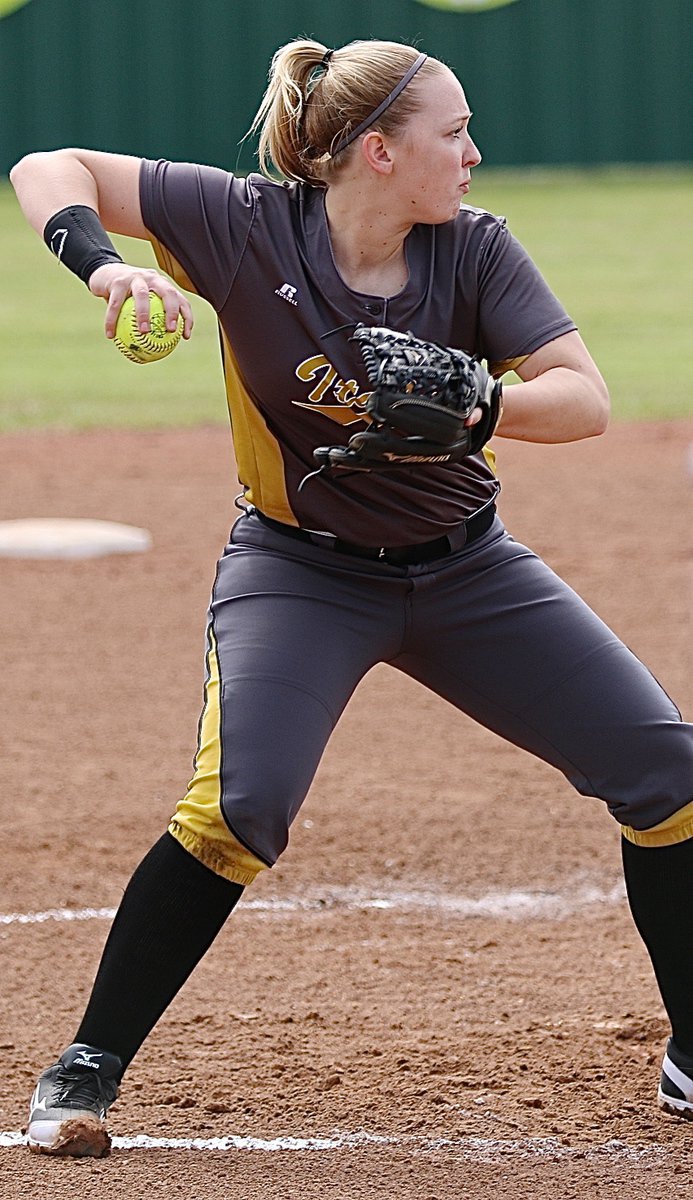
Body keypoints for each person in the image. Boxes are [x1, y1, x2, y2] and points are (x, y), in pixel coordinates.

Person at [10, 37, 693, 1159]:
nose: (473, 154)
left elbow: (583, 400)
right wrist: (105, 268)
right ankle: (87, 1063)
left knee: (670, 777)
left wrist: (481, 407)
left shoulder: (475, 250)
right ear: (378, 152)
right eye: (453, 133)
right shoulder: (242, 224)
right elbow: (48, 167)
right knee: (238, 808)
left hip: (470, 572)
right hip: (302, 573)